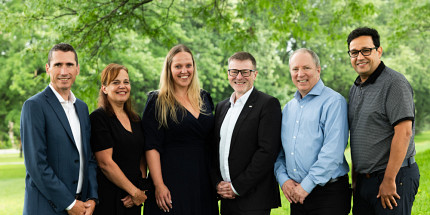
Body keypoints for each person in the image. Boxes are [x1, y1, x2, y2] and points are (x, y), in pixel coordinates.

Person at [347, 27, 420, 215]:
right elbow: (358, 135)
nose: (359, 57)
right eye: (354, 52)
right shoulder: (356, 88)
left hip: (393, 178)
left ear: (378, 51)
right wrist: (356, 179)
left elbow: (404, 133)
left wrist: (389, 180)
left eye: (366, 50)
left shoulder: (394, 83)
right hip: (364, 181)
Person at [20, 43, 98, 215]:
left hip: (82, 206)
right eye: (58, 65)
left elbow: (89, 158)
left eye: (69, 65)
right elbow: (37, 165)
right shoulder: (34, 106)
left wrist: (92, 197)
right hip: (47, 208)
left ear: (77, 69)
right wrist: (69, 204)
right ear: (48, 68)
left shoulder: (82, 108)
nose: (64, 71)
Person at [141, 44, 218, 215]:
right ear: (169, 69)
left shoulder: (204, 97)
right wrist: (159, 185)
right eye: (178, 66)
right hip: (171, 179)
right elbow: (151, 146)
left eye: (188, 65)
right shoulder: (157, 100)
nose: (184, 70)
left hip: (203, 180)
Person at [274, 48, 351, 215]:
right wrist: (284, 180)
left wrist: (306, 186)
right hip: (297, 195)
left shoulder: (334, 102)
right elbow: (279, 152)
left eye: (306, 68)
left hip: (329, 195)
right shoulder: (288, 109)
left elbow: (333, 152)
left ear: (318, 69)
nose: (300, 74)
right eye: (295, 69)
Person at [211, 51, 282, 215]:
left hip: (254, 199)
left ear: (255, 74)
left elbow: (267, 152)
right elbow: (214, 148)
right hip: (226, 198)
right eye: (234, 71)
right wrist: (218, 184)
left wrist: (236, 187)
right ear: (228, 74)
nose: (239, 77)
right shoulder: (222, 107)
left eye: (245, 72)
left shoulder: (268, 104)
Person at [90, 63, 147, 214]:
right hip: (109, 198)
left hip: (133, 201)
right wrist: (134, 191)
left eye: (126, 82)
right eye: (116, 82)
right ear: (104, 88)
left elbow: (141, 157)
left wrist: (139, 188)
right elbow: (105, 163)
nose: (122, 86)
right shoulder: (98, 118)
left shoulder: (136, 120)